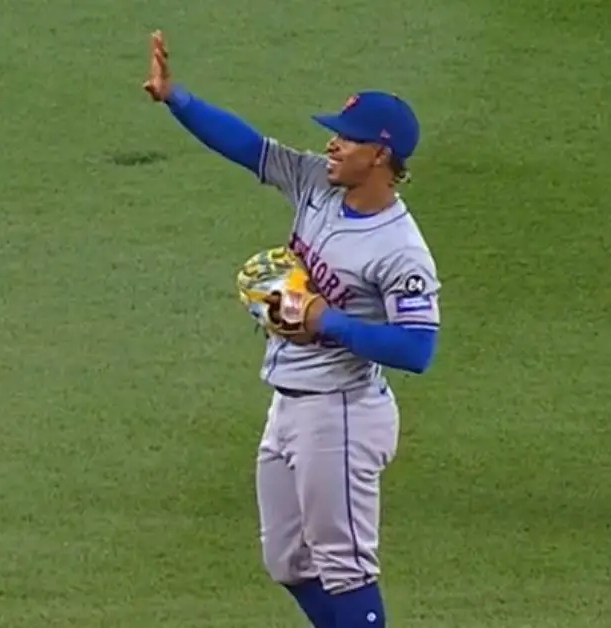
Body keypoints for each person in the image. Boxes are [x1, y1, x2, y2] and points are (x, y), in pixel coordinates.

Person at [142, 30, 442, 628]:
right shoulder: (314, 181)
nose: (331, 144)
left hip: (343, 413)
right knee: (287, 561)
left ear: (380, 155)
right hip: (289, 405)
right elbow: (249, 147)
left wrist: (323, 319)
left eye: (347, 138)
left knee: (345, 567)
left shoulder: (401, 250)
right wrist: (177, 98)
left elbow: (418, 348)